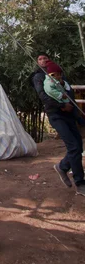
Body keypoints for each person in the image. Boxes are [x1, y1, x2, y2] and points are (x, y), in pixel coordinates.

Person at [31, 53, 85, 195]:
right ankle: (80, 183)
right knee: (73, 146)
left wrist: (76, 115)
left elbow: (69, 93)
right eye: (40, 59)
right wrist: (61, 106)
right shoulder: (38, 77)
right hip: (56, 115)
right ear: (37, 63)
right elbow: (43, 96)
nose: (43, 60)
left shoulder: (58, 73)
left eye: (45, 58)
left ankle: (62, 167)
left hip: (69, 114)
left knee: (78, 145)